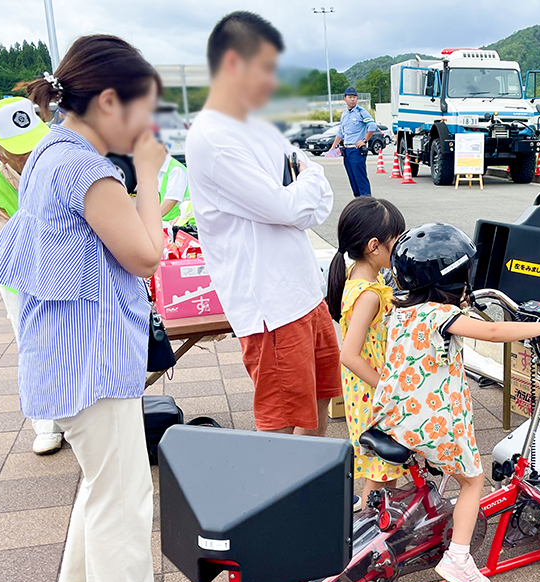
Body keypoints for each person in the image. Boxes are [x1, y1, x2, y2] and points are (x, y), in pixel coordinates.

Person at [0, 35, 196, 582]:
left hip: (63, 351)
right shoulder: (87, 168)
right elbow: (147, 256)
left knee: (104, 476)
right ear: (107, 100)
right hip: (91, 359)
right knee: (123, 488)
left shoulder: (50, 151)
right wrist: (150, 177)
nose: (146, 123)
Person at [370, 223, 540, 582]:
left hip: (392, 417)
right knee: (472, 480)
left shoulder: (399, 312)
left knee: (441, 468)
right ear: (453, 279)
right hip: (430, 423)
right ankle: (458, 558)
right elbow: (495, 333)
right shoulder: (440, 317)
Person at [187, 12, 340, 436]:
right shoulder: (214, 137)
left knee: (319, 402)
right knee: (284, 424)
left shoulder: (260, 126)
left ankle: (313, 489)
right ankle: (286, 499)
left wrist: (302, 189)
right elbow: (288, 206)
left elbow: (311, 200)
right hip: (271, 305)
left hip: (304, 291)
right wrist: (302, 190)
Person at [0, 97, 64, 455]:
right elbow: (3, 244)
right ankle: (47, 424)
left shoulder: (59, 152)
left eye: (35, 143)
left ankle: (81, 409)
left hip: (71, 262)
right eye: (19, 151)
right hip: (21, 272)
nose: (31, 155)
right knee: (34, 343)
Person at [326, 196, 406, 510]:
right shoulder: (369, 294)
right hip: (372, 390)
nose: (400, 247)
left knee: (382, 460)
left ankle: (377, 518)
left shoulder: (357, 278)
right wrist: (386, 387)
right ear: (375, 245)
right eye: (396, 240)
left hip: (365, 387)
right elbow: (349, 354)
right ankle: (371, 530)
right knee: (381, 464)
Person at [330, 87, 376, 197]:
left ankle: (367, 203)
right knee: (352, 179)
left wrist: (364, 140)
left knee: (360, 178)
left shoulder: (361, 112)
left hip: (356, 150)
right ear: (344, 99)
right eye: (350, 97)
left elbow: (372, 126)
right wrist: (333, 147)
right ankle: (358, 202)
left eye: (354, 97)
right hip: (346, 151)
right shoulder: (344, 114)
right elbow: (341, 132)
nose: (352, 100)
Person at [158, 154, 191, 223]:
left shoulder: (176, 170)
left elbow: (171, 200)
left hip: (179, 224)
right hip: (166, 222)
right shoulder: (158, 170)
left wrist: (152, 219)